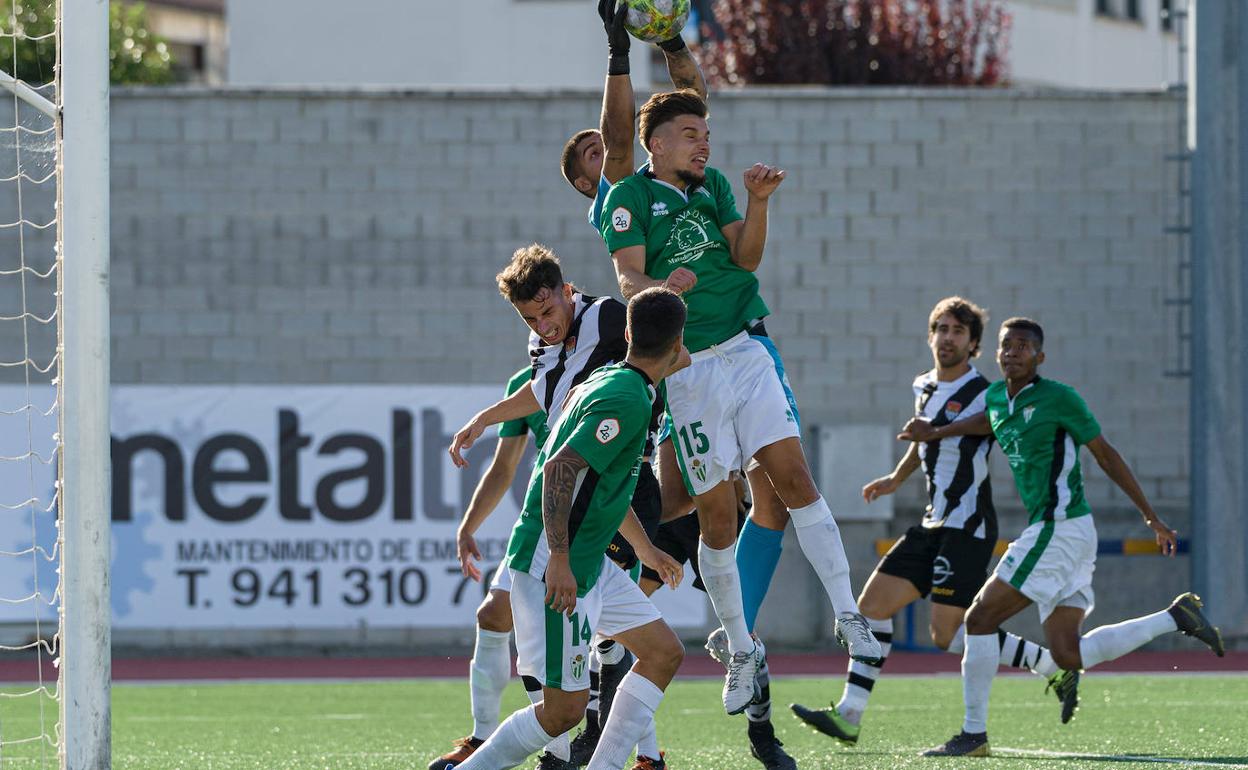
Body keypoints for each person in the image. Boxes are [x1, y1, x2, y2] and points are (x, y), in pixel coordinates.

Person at [563, 7, 798, 760]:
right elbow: (626, 130)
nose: (609, 149)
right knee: (674, 514)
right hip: (678, 392)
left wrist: (666, 42)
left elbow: (687, 105)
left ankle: (750, 692)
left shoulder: (690, 184)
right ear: (588, 184)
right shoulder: (622, 202)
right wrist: (614, 52)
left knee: (765, 499)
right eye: (594, 156)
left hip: (735, 355)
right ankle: (619, 709)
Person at [600, 88, 881, 716]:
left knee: (794, 478)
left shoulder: (717, 184)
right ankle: (742, 646)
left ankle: (849, 615)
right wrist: (659, 288)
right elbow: (627, 278)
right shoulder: (629, 198)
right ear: (658, 142)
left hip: (744, 350)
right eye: (692, 132)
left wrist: (758, 204)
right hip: (690, 369)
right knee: (716, 515)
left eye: (707, 132)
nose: (705, 142)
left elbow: (747, 255)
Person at [903, 317, 1225, 758]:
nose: (1013, 352)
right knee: (1068, 655)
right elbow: (985, 422)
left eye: (1022, 346)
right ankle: (1177, 617)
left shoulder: (1059, 398)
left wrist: (1151, 517)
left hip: (1058, 527)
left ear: (1040, 357)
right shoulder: (998, 396)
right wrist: (936, 432)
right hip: (1067, 532)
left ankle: (973, 734)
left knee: (978, 620)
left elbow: (1106, 454)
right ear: (997, 354)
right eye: (1006, 346)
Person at [438, 247, 682, 770]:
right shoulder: (625, 394)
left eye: (548, 312)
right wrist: (561, 560)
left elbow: (599, 484)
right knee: (563, 710)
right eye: (532, 318)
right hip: (560, 549)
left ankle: (614, 760)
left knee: (663, 651)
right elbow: (559, 471)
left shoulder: (612, 360)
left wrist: (647, 549)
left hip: (591, 533)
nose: (543, 326)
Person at [791, 298, 1073, 746]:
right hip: (931, 521)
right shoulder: (922, 385)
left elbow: (986, 426)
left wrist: (935, 433)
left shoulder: (987, 390)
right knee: (871, 609)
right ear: (930, 337)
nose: (948, 337)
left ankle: (1051, 666)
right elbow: (921, 439)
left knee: (947, 635)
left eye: (958, 331)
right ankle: (849, 714)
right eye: (940, 328)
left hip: (968, 525)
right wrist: (894, 477)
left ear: (974, 344)